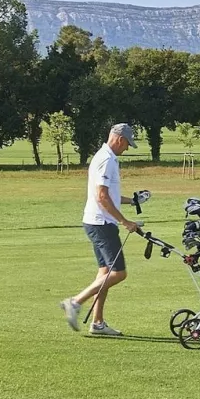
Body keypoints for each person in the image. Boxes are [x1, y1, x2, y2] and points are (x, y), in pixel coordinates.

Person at [59, 123, 141, 337]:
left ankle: (97, 323)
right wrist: (125, 222)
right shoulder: (106, 160)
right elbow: (101, 196)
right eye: (128, 144)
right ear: (120, 139)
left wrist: (132, 201)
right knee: (119, 273)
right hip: (101, 224)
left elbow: (110, 196)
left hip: (97, 222)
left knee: (104, 272)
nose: (127, 149)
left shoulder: (106, 157)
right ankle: (75, 302)